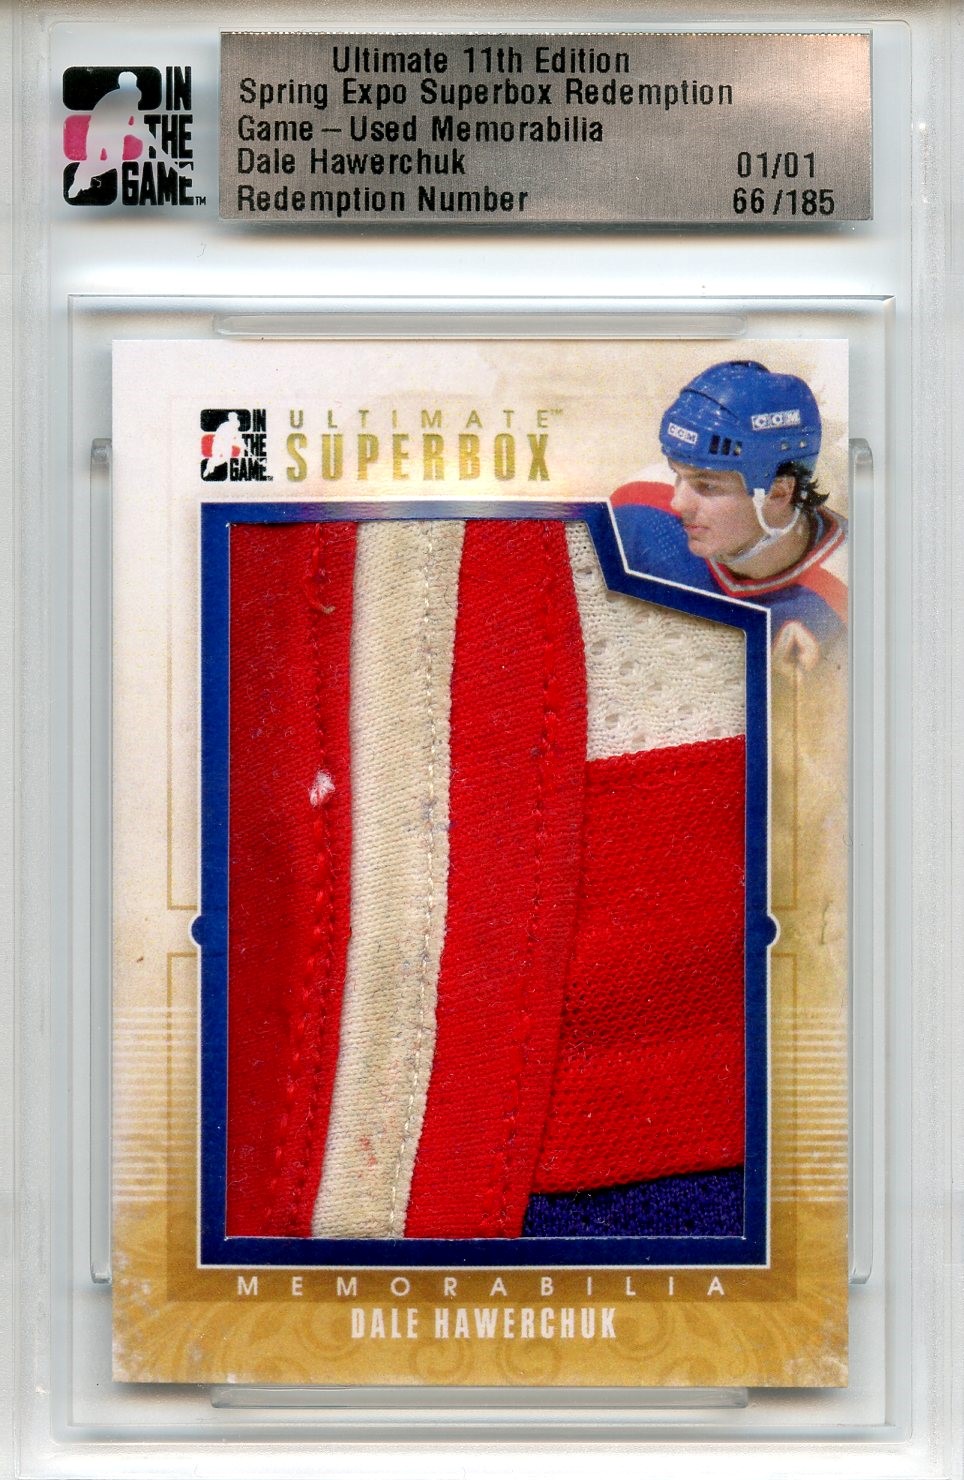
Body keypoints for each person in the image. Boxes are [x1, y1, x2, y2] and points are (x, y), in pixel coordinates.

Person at [612, 360, 847, 666]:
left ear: (778, 492)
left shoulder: (855, 583)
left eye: (707, 486)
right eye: (677, 474)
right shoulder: (638, 507)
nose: (678, 503)